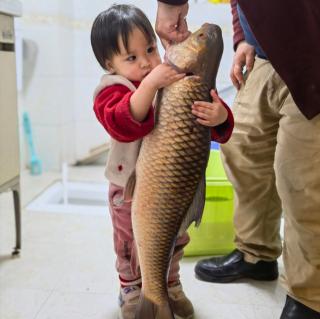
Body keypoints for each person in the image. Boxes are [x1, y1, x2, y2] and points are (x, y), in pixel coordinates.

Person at [155, 1, 320, 318]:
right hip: (263, 59)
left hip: (312, 55)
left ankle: (310, 295)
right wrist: (244, 37)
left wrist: (170, 4)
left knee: (303, 178)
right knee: (242, 148)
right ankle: (256, 256)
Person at [90, 4, 234, 319]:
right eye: (132, 57)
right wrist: (153, 83)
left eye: (151, 49)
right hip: (128, 190)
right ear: (109, 64)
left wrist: (220, 115)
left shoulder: (174, 79)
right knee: (130, 245)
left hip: (176, 189)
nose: (145, 63)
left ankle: (167, 285)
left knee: (174, 238)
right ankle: (133, 289)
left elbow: (211, 124)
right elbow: (124, 121)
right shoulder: (112, 90)